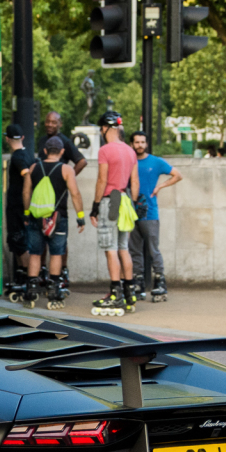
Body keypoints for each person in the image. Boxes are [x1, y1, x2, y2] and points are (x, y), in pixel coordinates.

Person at [22, 135, 86, 307]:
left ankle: (31, 289)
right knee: (56, 253)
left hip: (36, 216)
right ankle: (54, 290)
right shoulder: (66, 169)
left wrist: (27, 212)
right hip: (58, 218)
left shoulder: (34, 167)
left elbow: (26, 192)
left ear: (44, 151)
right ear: (62, 151)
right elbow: (75, 193)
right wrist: (80, 216)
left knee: (35, 253)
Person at [88, 111, 140, 315]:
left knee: (110, 248)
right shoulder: (130, 151)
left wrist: (94, 205)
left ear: (106, 128)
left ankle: (115, 293)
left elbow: (102, 179)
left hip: (110, 200)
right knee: (123, 247)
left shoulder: (105, 150)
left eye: (102, 128)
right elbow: (134, 182)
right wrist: (134, 203)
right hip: (125, 200)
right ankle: (130, 292)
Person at [129, 131, 181, 301]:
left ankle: (159, 282)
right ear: (132, 144)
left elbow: (177, 175)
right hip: (130, 212)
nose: (140, 145)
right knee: (134, 250)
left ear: (147, 144)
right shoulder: (129, 161)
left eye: (143, 142)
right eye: (137, 142)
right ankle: (138, 283)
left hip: (150, 213)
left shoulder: (156, 162)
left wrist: (160, 187)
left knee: (153, 249)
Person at [3, 124, 37, 289]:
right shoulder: (29, 155)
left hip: (18, 206)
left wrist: (25, 208)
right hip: (20, 206)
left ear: (7, 139)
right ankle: (23, 277)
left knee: (20, 242)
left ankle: (26, 278)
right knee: (18, 243)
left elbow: (26, 175)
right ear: (22, 138)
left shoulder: (18, 158)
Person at [37, 111, 88, 177]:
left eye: (54, 122)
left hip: (57, 184)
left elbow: (82, 161)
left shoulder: (65, 141)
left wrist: (67, 178)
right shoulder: (42, 140)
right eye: (47, 121)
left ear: (60, 124)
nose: (50, 124)